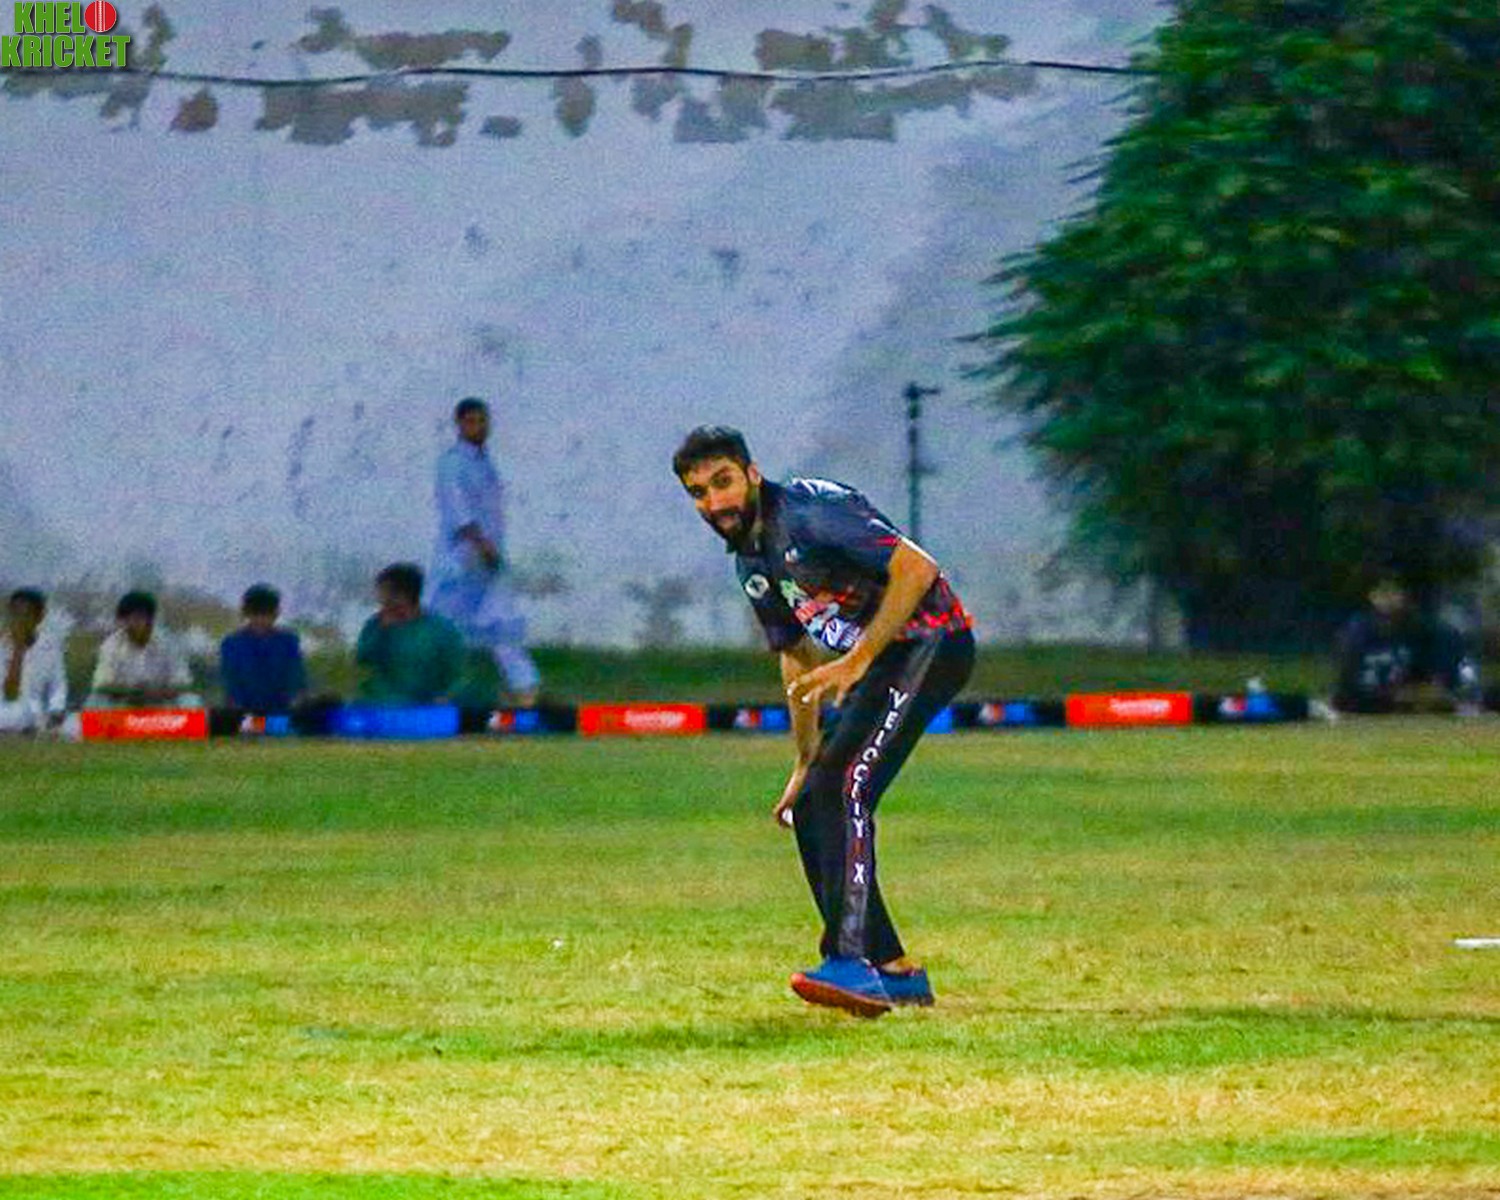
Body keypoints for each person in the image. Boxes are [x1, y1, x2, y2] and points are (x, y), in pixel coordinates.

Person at [673, 425, 975, 1017]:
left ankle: (850, 960)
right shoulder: (751, 557)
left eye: (723, 482)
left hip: (931, 644)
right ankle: (892, 971)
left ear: (752, 473)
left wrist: (859, 658)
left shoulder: (809, 514)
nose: (714, 502)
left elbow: (917, 569)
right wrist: (804, 759)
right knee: (815, 800)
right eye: (699, 493)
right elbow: (795, 654)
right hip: (883, 661)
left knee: (846, 789)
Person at [429, 397, 541, 706]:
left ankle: (524, 688)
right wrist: (481, 543)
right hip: (461, 559)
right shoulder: (452, 463)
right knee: (442, 626)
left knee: (503, 622)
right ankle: (435, 691)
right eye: (472, 422)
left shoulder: (485, 463)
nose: (478, 427)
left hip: (488, 559)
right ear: (459, 424)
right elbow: (458, 510)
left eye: (483, 421)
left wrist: (491, 549)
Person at [1333, 578, 1483, 714]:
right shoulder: (1359, 631)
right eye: (1381, 592)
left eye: (1393, 591)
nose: (1387, 599)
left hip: (1427, 704)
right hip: (1377, 703)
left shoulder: (1429, 632)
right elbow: (1347, 692)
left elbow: (1439, 690)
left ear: (1406, 595)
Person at [355, 562, 466, 705]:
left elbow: (457, 672)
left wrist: (445, 697)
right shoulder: (374, 625)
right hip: (376, 704)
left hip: (422, 706)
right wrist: (382, 632)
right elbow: (362, 662)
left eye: (385, 593)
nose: (380, 599)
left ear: (403, 596)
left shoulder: (441, 630)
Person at [88, 591, 201, 708]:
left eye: (140, 617)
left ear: (150, 619)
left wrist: (158, 692)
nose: (134, 623)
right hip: (123, 704)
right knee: (95, 700)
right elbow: (101, 683)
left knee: (190, 699)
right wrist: (132, 692)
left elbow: (183, 681)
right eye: (128, 618)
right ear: (122, 621)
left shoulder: (169, 643)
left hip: (163, 704)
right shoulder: (111, 645)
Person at [219, 584, 307, 714]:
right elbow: (231, 683)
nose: (260, 620)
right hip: (245, 714)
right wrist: (236, 711)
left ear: (276, 614)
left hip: (281, 713)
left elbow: (296, 678)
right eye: (255, 614)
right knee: (195, 720)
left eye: (266, 614)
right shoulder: (231, 643)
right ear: (246, 614)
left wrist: (295, 704)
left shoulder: (289, 641)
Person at [0, 588, 68, 734]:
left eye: (25, 615)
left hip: (36, 712)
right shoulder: (2, 644)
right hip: (5, 710)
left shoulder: (51, 645)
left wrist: (56, 710)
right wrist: (18, 649)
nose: (18, 620)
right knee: (16, 715)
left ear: (39, 618)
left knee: (78, 724)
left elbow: (58, 684)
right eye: (14, 614)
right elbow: (9, 694)